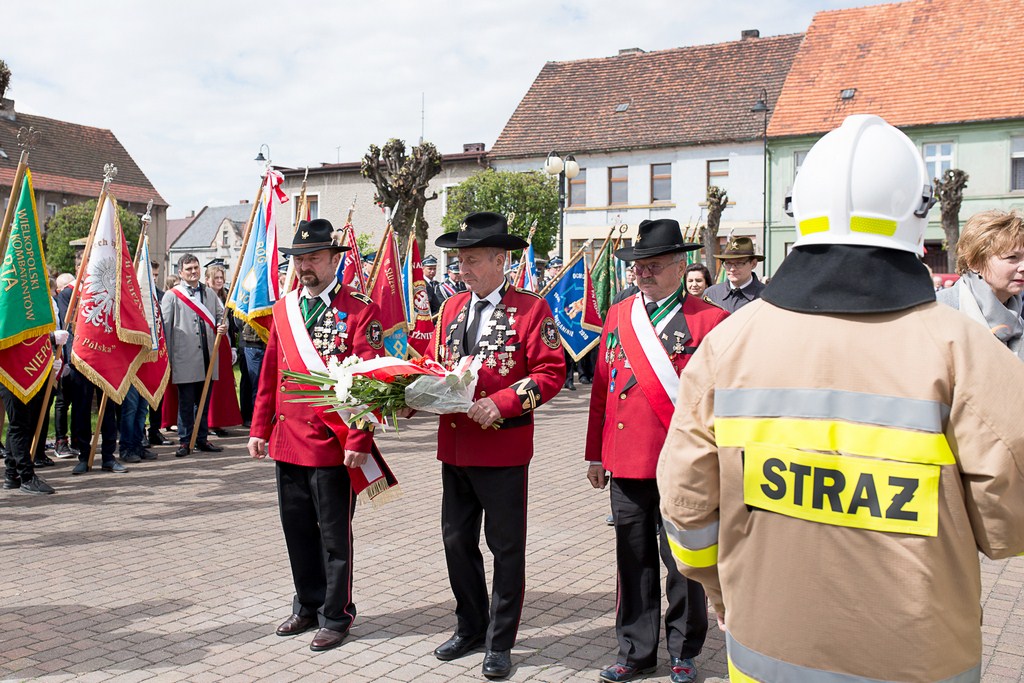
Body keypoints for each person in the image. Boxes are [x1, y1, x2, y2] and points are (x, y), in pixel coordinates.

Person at [657, 114, 1024, 683]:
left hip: (765, 646)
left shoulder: (727, 344)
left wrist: (715, 582)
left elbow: (685, 499)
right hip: (916, 655)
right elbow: (1009, 525)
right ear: (919, 212)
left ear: (797, 208)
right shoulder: (964, 351)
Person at [586, 219, 728, 683]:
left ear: (680, 265)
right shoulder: (619, 315)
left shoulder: (711, 321)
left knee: (683, 561)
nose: (642, 274)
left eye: (653, 266)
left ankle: (684, 651)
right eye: (637, 267)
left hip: (682, 465)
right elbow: (603, 391)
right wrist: (595, 453)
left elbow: (720, 400)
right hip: (625, 460)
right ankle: (635, 650)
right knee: (633, 560)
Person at [425, 212, 565, 679]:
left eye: (472, 260)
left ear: (501, 260)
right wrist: (408, 395)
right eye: (459, 260)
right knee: (456, 541)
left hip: (502, 449)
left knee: (505, 548)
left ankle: (500, 642)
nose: (462, 269)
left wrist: (503, 403)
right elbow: (432, 365)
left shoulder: (531, 310)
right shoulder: (449, 309)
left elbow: (550, 374)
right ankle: (471, 625)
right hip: (456, 446)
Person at [248, 218, 385, 653]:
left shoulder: (359, 311)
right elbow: (270, 373)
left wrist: (359, 441)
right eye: (299, 258)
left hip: (332, 443)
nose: (305, 265)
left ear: (333, 260)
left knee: (333, 536)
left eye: (313, 257)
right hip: (288, 440)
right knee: (297, 530)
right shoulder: (286, 308)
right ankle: (307, 604)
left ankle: (336, 613)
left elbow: (372, 382)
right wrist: (258, 428)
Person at [161, 253, 226, 457]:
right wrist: (168, 360)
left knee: (204, 401)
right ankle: (184, 440)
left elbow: (219, 316)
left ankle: (202, 438)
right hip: (184, 357)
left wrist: (222, 325)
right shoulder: (172, 295)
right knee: (186, 403)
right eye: (189, 269)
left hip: (207, 355)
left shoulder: (209, 293)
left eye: (196, 268)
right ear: (180, 272)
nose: (193, 272)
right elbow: (166, 328)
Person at [937, 209, 1024, 359]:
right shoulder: (940, 310)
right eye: (1012, 257)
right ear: (974, 262)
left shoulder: (1018, 319)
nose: (1022, 267)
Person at [204, 259, 242, 435]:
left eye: (221, 277)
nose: (219, 281)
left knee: (224, 385)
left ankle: (220, 420)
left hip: (225, 342)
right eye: (216, 277)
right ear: (208, 279)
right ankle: (210, 422)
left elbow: (232, 324)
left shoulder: (225, 296)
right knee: (213, 384)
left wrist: (233, 346)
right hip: (211, 344)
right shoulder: (203, 297)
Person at [701, 237, 766, 312]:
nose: (732, 269)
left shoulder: (766, 296)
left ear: (753, 264)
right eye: (728, 263)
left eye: (739, 263)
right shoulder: (711, 294)